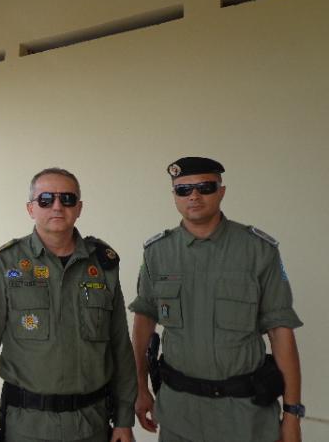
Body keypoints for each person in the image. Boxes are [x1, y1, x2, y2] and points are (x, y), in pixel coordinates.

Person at [0, 167, 137, 442]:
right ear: (30, 208)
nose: (56, 206)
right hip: (27, 426)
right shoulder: (4, 265)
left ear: (79, 208)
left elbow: (120, 346)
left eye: (67, 199)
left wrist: (124, 419)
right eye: (45, 199)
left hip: (93, 423)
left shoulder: (102, 265)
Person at [129, 157, 304, 442]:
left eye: (205, 187)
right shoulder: (157, 253)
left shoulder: (258, 250)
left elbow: (281, 332)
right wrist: (138, 387)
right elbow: (143, 324)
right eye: (183, 190)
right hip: (179, 414)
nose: (194, 196)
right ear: (174, 196)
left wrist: (293, 414)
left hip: (246, 417)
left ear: (221, 191)